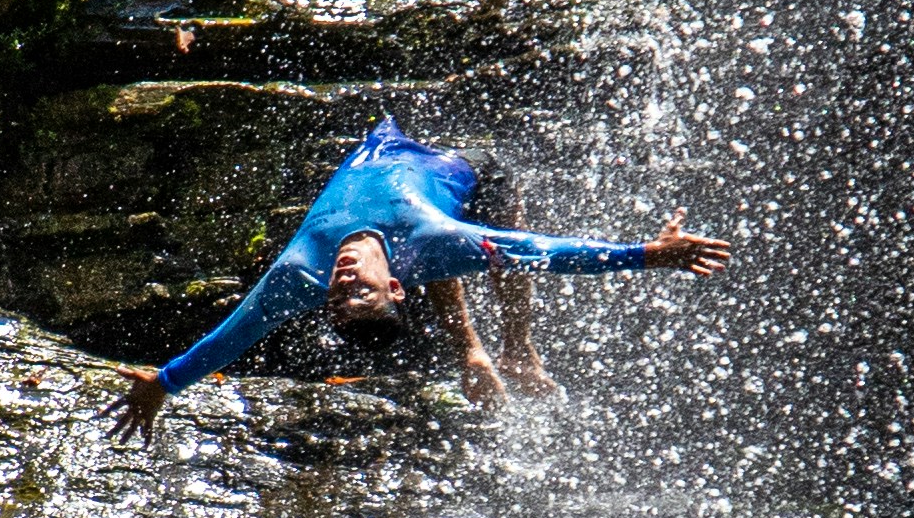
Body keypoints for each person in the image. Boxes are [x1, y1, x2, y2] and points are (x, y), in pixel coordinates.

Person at [105, 115, 729, 435]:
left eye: (341, 293)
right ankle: (499, 346)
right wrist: (645, 254)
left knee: (460, 250)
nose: (345, 278)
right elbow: (547, 249)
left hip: (407, 174)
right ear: (391, 289)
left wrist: (165, 382)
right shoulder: (430, 240)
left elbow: (230, 340)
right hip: (463, 175)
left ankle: (496, 350)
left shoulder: (300, 275)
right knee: (485, 243)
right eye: (361, 291)